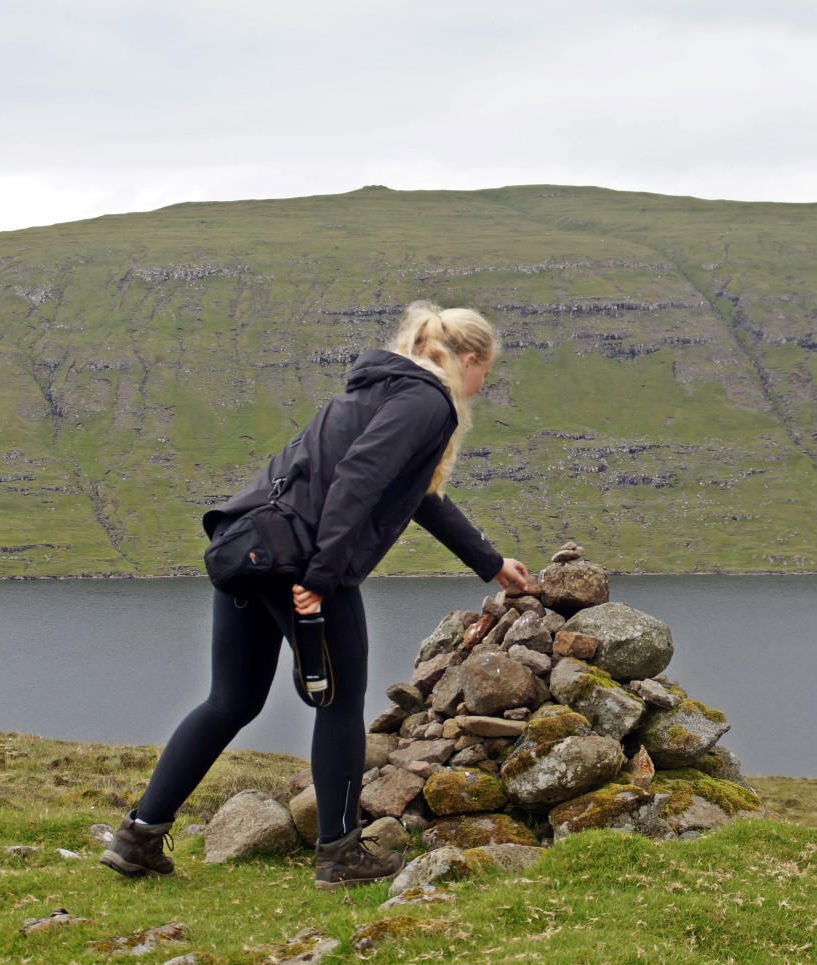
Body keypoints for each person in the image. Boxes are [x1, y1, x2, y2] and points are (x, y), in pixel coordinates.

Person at [101, 301, 531, 889]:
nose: (482, 386)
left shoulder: (381, 387)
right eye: (487, 373)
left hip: (250, 546)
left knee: (229, 701)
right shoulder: (427, 401)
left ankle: (137, 836)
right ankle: (340, 853)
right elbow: (358, 478)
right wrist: (322, 578)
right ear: (471, 360)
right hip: (302, 561)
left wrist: (488, 561)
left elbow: (415, 496)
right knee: (340, 703)